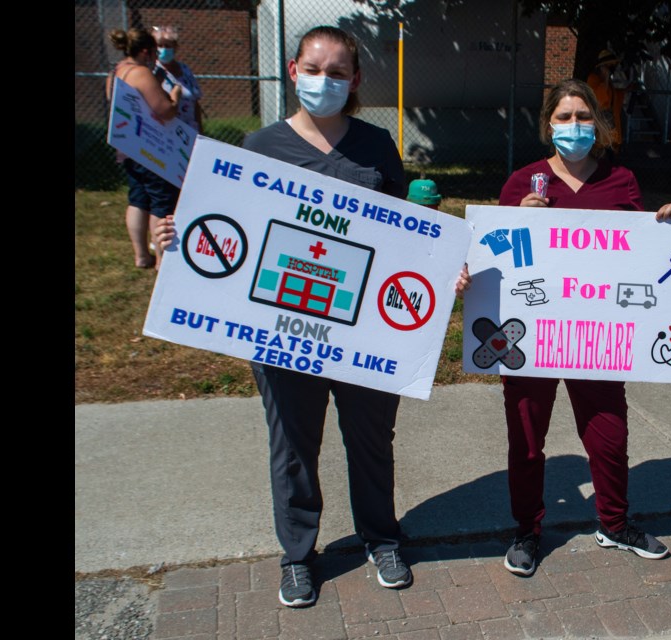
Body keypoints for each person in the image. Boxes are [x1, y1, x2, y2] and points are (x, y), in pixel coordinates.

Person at [155, 26, 470, 609]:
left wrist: (442, 269)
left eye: (337, 71)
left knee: (371, 440)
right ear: (293, 69)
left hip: (364, 334)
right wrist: (175, 236)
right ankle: (298, 555)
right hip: (283, 331)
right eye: (313, 67)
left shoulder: (377, 148)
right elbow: (225, 229)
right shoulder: (257, 147)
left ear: (354, 80)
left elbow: (408, 237)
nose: (323, 80)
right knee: (293, 445)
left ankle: (382, 538)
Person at [495, 79, 671, 576]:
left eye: (584, 117)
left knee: (608, 431)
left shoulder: (620, 180)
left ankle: (614, 523)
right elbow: (492, 255)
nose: (574, 127)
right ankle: (527, 531)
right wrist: (517, 222)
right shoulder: (523, 182)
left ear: (599, 124)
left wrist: (668, 224)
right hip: (533, 333)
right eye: (564, 117)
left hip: (596, 334)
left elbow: (639, 254)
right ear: (547, 125)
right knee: (527, 436)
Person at [107, 28, 181, 269]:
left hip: (129, 145)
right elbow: (164, 110)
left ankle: (141, 254)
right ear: (147, 52)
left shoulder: (116, 72)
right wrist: (174, 97)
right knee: (161, 201)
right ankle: (161, 258)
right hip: (151, 148)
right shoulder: (140, 73)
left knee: (138, 199)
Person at [152, 26, 203, 133]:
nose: (163, 49)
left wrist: (200, 130)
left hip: (190, 130)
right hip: (168, 131)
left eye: (167, 46)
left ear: (175, 47)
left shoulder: (185, 70)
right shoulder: (153, 71)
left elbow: (195, 102)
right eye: (160, 46)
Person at [586, 50, 629, 150]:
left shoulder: (609, 83)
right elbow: (599, 99)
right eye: (609, 66)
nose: (611, 69)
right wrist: (605, 79)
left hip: (611, 124)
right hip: (600, 125)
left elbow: (613, 97)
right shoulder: (593, 79)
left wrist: (625, 91)